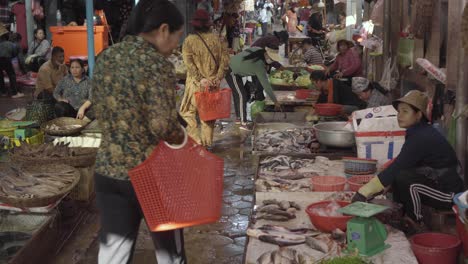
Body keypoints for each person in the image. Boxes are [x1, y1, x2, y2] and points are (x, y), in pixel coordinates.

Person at [91, 1, 187, 263]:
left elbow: (96, 105)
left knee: (113, 253)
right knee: (170, 252)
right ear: (164, 30)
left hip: (108, 172)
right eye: (178, 37)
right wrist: (184, 138)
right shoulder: (157, 65)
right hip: (150, 176)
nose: (176, 45)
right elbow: (162, 125)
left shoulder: (106, 58)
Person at [352, 90, 464, 232]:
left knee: (406, 180)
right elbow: (403, 161)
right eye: (399, 112)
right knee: (399, 176)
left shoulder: (421, 137)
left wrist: (363, 192)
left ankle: (416, 223)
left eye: (405, 112)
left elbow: (398, 167)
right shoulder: (417, 131)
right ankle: (400, 214)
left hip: (449, 193)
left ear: (418, 115)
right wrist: (382, 183)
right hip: (435, 180)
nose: (399, 116)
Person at [180, 9, 229, 149]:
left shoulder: (189, 41)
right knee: (208, 116)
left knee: (187, 113)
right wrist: (217, 78)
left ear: (194, 25)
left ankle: (196, 141)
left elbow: (188, 63)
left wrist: (200, 78)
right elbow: (225, 61)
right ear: (209, 24)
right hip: (212, 84)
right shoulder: (218, 39)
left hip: (195, 85)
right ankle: (206, 145)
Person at [226, 47, 281, 130]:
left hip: (234, 68)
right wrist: (275, 102)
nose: (271, 61)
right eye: (271, 59)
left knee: (238, 94)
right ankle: (243, 123)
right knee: (242, 96)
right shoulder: (259, 66)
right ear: (266, 54)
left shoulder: (257, 50)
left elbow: (245, 53)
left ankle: (239, 118)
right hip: (231, 71)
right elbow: (267, 86)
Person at [0, 24, 24, 98]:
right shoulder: (11, 44)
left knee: (0, 76)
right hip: (6, 60)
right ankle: (14, 93)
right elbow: (15, 55)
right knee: (11, 75)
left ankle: (3, 92)